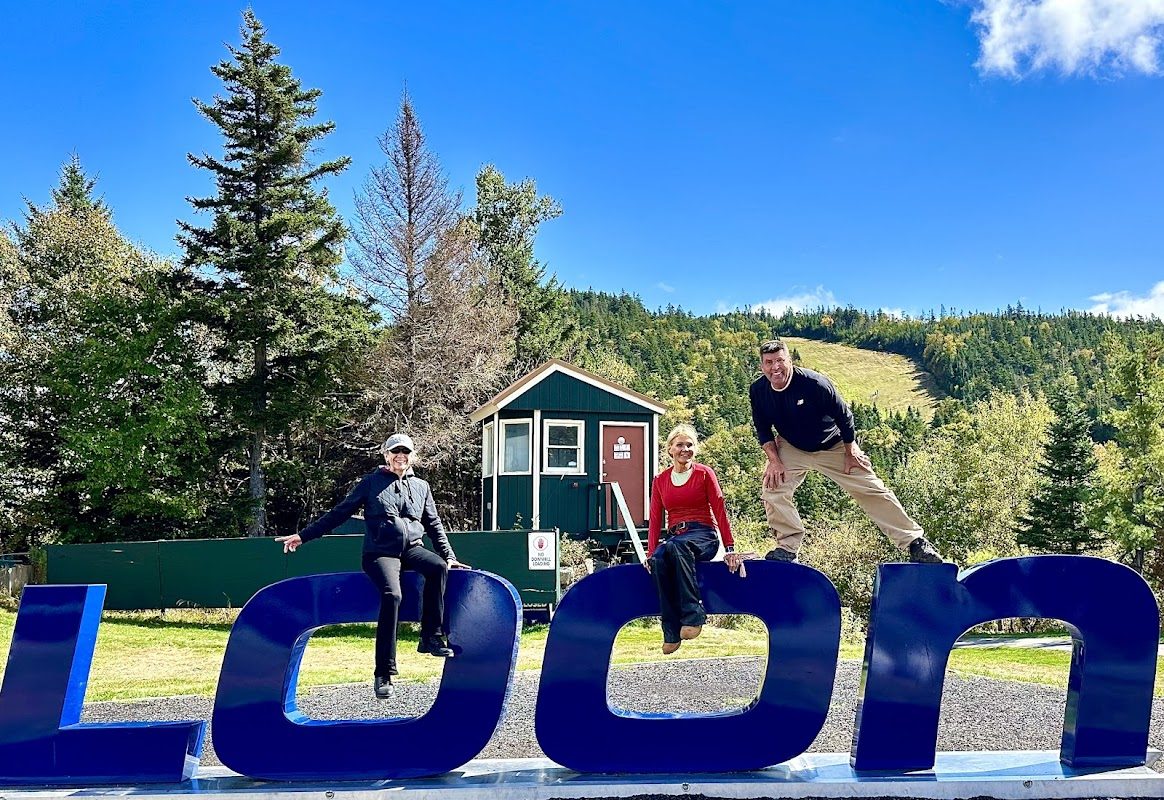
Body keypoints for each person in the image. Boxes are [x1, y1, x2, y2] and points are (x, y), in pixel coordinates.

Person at [275, 433, 469, 700]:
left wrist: (448, 555)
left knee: (437, 568)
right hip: (380, 553)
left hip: (412, 549)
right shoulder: (371, 483)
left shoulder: (422, 486)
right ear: (386, 455)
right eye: (395, 452)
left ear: (412, 456)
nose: (400, 456)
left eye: (405, 452)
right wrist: (303, 536)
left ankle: (431, 637)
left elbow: (434, 524)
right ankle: (384, 673)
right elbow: (339, 513)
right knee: (393, 595)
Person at [749, 338, 944, 564]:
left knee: (870, 488)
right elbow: (762, 429)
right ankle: (787, 548)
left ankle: (915, 543)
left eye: (780, 361)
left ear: (789, 361)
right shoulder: (758, 390)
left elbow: (844, 416)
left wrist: (851, 451)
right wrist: (774, 460)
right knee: (773, 486)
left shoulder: (815, 384)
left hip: (834, 444)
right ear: (762, 366)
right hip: (792, 446)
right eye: (769, 362)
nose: (775, 368)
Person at [645, 424, 744, 654]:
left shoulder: (704, 473)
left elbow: (719, 509)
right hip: (674, 539)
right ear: (670, 449)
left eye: (690, 445)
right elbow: (654, 519)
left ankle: (693, 614)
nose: (685, 449)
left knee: (676, 547)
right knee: (660, 559)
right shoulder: (660, 480)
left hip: (703, 535)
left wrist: (730, 548)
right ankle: (671, 631)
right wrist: (650, 553)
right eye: (680, 445)